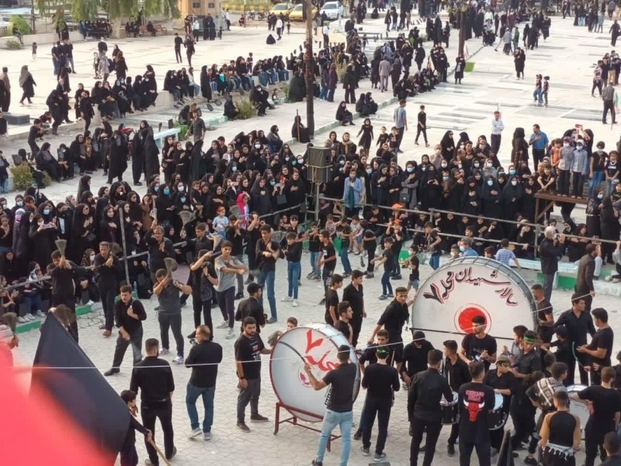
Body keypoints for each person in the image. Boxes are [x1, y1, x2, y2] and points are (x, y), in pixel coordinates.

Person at [306, 344, 357, 466]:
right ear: (348, 355)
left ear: (338, 356)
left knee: (324, 435)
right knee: (346, 440)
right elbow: (349, 361)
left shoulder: (333, 373)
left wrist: (308, 372)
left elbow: (317, 386)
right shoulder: (353, 368)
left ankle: (319, 461)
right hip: (347, 411)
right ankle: (343, 464)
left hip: (333, 411)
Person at [130, 338, 177, 465]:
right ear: (156, 349)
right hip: (164, 403)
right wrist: (168, 401)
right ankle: (169, 452)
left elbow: (133, 390)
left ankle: (154, 460)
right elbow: (171, 388)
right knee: (167, 428)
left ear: (146, 349)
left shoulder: (138, 367)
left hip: (147, 405)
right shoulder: (164, 364)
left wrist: (133, 406)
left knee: (149, 432)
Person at [408, 348, 454, 466]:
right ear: (439, 362)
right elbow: (449, 399)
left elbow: (411, 398)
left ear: (428, 360)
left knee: (415, 441)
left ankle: (413, 463)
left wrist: (410, 417)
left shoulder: (418, 376)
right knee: (431, 444)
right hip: (434, 416)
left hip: (418, 415)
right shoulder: (442, 379)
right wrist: (449, 389)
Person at [571, 367, 621, 466]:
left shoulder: (593, 389)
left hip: (592, 427)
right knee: (605, 457)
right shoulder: (616, 394)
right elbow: (617, 413)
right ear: (612, 379)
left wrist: (587, 402)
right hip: (607, 428)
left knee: (590, 455)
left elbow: (573, 396)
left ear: (601, 377)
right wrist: (615, 425)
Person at [360, 346, 400, 462]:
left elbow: (364, 385)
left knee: (368, 423)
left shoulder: (369, 368)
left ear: (376, 355)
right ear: (388, 356)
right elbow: (397, 387)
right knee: (383, 427)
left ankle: (366, 447)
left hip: (371, 399)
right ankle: (378, 452)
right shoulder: (392, 371)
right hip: (385, 400)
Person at [185, 325, 223, 441]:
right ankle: (207, 431)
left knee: (190, 402)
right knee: (209, 406)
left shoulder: (196, 349)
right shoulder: (218, 347)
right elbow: (218, 360)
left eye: (196, 334)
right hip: (211, 383)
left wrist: (194, 351)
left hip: (196, 382)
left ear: (201, 336)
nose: (196, 336)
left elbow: (187, 364)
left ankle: (195, 427)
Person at [235, 316, 271, 432]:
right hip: (247, 375)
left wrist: (272, 350)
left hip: (256, 372)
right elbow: (238, 362)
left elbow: (262, 349)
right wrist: (242, 378)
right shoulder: (240, 342)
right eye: (249, 328)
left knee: (256, 394)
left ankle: (254, 414)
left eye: (254, 327)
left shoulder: (256, 335)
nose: (252, 330)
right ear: (244, 327)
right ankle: (240, 421)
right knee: (244, 398)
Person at [458, 361, 496, 466]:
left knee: (464, 459)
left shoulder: (462, 388)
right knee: (484, 461)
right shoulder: (489, 390)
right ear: (482, 373)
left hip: (465, 429)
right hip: (482, 430)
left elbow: (460, 406)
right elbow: (491, 406)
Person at [104, 285, 147, 377]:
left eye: (126, 295)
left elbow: (143, 317)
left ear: (130, 294)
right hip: (124, 330)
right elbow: (117, 319)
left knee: (137, 351)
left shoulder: (136, 303)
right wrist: (123, 332)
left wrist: (132, 314)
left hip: (136, 330)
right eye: (122, 295)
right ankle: (115, 368)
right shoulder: (118, 304)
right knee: (119, 349)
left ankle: (137, 371)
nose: (124, 297)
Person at [152, 268, 192, 365]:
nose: (160, 281)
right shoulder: (157, 285)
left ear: (166, 277)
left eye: (162, 279)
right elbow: (155, 292)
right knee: (163, 332)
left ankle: (180, 354)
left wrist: (180, 286)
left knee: (177, 334)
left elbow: (189, 291)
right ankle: (165, 347)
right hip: (162, 313)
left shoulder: (174, 283)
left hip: (175, 313)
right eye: (158, 280)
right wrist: (161, 284)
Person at [555, 293, 595, 385]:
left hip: (582, 347)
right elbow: (556, 326)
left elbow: (592, 330)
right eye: (582, 303)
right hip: (570, 347)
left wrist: (595, 343)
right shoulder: (566, 315)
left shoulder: (587, 315)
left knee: (584, 370)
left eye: (584, 303)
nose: (584, 305)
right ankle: (569, 387)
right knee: (569, 370)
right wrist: (561, 335)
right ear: (574, 304)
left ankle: (585, 388)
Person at [367, 287, 412, 363]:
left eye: (405, 296)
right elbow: (380, 323)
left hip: (398, 335)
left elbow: (405, 312)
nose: (403, 298)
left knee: (401, 358)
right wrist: (372, 337)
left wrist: (413, 300)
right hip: (389, 338)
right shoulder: (391, 308)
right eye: (401, 296)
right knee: (389, 359)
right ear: (396, 296)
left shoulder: (404, 306)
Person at [443, 339, 471, 456]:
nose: (444, 351)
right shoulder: (447, 361)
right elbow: (445, 375)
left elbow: (468, 381)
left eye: (445, 349)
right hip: (451, 394)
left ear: (450, 351)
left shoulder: (462, 365)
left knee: (457, 421)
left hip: (461, 395)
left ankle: (451, 442)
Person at [537, 391, 581, 466]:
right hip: (567, 457)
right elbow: (576, 444)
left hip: (551, 455)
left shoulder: (549, 417)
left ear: (556, 402)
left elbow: (544, 440)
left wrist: (540, 444)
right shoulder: (576, 418)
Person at [214, 240, 247, 339]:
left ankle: (231, 329)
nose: (227, 251)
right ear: (221, 249)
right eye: (225, 249)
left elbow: (244, 267)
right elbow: (225, 270)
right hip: (219, 287)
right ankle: (226, 320)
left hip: (230, 286)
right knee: (221, 306)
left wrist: (234, 265)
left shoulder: (233, 259)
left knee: (230, 308)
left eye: (229, 249)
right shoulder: (218, 259)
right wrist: (237, 270)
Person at [483, 354, 516, 453]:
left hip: (504, 405)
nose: (507, 368)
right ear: (498, 365)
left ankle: (499, 447)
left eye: (508, 365)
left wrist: (498, 390)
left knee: (499, 426)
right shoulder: (490, 373)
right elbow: (484, 386)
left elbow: (511, 391)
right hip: (490, 404)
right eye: (505, 365)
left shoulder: (510, 376)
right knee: (489, 426)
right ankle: (490, 445)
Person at [576, 307, 614, 385]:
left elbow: (601, 354)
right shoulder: (600, 330)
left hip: (600, 366)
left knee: (598, 386)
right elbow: (597, 344)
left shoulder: (604, 334)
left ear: (598, 320)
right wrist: (588, 346)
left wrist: (585, 350)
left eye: (594, 319)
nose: (594, 320)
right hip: (594, 365)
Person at [93, 241, 122, 337]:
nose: (103, 252)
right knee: (105, 304)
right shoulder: (97, 258)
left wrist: (111, 266)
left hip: (112, 284)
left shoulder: (113, 257)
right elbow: (97, 269)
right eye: (101, 249)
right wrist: (105, 265)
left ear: (109, 249)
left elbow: (120, 270)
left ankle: (108, 329)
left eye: (105, 249)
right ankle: (108, 322)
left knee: (110, 304)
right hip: (101, 284)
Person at [119, 390, 152, 466]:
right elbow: (135, 424)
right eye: (134, 400)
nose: (135, 402)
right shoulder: (125, 413)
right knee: (127, 462)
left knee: (134, 460)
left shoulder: (123, 408)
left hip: (129, 442)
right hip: (126, 442)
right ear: (129, 402)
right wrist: (146, 432)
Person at [255, 225, 279, 323]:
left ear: (269, 233)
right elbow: (257, 251)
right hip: (261, 269)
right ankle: (260, 314)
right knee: (258, 293)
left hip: (270, 270)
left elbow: (280, 255)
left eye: (265, 233)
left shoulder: (274, 243)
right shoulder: (259, 242)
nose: (263, 235)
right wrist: (264, 252)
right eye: (262, 233)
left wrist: (271, 251)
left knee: (270, 294)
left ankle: (274, 316)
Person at [539, 226, 566, 303]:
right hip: (548, 267)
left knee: (547, 285)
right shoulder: (546, 244)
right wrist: (561, 243)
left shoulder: (547, 242)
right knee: (548, 286)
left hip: (549, 266)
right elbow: (556, 252)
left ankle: (543, 300)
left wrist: (557, 242)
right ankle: (545, 302)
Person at [342, 270, 365, 346]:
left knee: (357, 331)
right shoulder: (347, 290)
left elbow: (361, 298)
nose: (361, 280)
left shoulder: (360, 287)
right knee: (351, 332)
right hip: (352, 315)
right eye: (360, 278)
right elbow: (344, 304)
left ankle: (354, 345)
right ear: (354, 278)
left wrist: (363, 310)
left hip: (359, 314)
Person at [576, 243, 599, 312]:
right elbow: (588, 276)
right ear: (593, 251)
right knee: (585, 307)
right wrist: (591, 289)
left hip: (579, 284)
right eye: (597, 249)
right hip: (584, 288)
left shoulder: (584, 257)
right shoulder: (591, 261)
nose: (598, 251)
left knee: (579, 306)